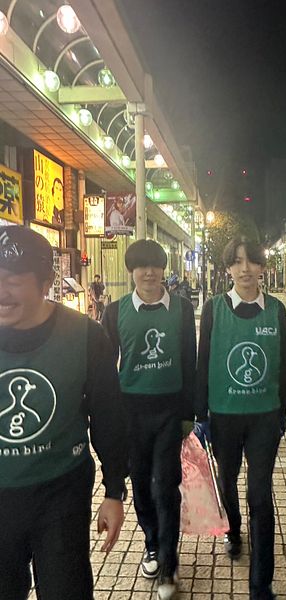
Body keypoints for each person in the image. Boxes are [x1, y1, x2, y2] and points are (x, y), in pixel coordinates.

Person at [0, 225, 127, 600]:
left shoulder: (85, 336)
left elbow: (108, 417)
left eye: (13, 281)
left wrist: (114, 491)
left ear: (45, 283)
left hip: (61, 493)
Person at [196, 237, 286, 600]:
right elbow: (203, 362)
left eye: (251, 261)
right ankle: (233, 529)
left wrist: (281, 412)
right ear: (228, 268)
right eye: (237, 262)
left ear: (262, 267)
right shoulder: (214, 309)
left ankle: (261, 584)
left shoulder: (276, 310)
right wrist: (201, 414)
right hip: (223, 417)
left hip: (264, 417)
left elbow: (283, 365)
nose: (245, 268)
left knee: (260, 493)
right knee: (227, 480)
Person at [101, 239, 196, 600]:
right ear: (131, 272)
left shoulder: (182, 309)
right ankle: (152, 543)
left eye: (155, 265)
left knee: (165, 486)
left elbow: (189, 361)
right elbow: (105, 369)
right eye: (141, 266)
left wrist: (190, 415)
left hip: (170, 411)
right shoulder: (115, 312)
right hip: (131, 412)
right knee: (140, 484)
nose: (149, 272)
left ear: (163, 270)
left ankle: (168, 563)